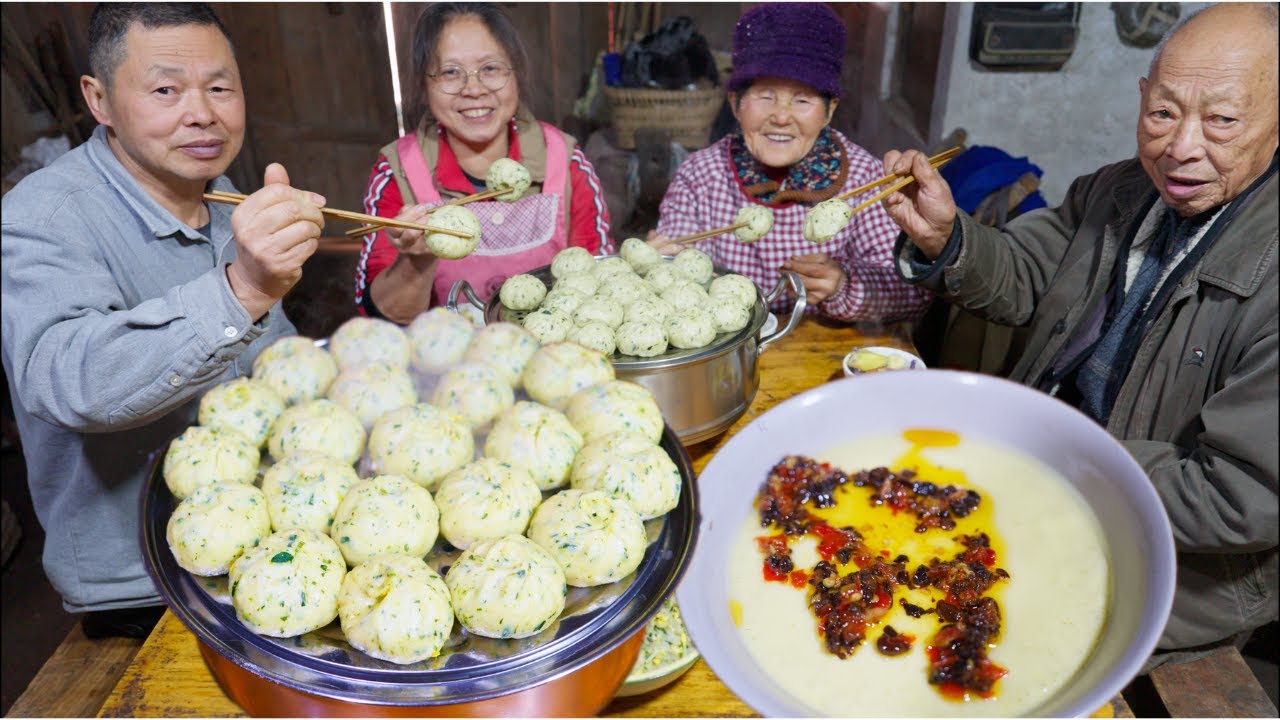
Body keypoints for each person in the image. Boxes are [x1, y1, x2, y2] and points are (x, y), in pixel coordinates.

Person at [880, 2, 1277, 659]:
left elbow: (1241, 495)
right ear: (1143, 98)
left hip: (1167, 570)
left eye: (1223, 120)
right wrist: (950, 238)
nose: (1180, 146)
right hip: (1040, 486)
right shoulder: (1120, 190)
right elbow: (1029, 274)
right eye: (1164, 112)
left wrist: (1052, 463)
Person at [0, 3, 325, 635]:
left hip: (262, 555)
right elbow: (66, 379)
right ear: (99, 100)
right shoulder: (41, 217)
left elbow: (268, 361)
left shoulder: (226, 196)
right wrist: (243, 287)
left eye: (220, 87)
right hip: (142, 583)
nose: (201, 111)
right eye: (165, 89)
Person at [646, 2, 932, 323]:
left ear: (829, 111)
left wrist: (842, 286)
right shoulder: (700, 176)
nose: (782, 117)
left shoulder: (865, 179)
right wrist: (663, 266)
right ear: (735, 104)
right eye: (765, 96)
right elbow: (673, 262)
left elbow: (914, 292)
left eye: (802, 100)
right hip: (733, 347)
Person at [354, 2, 613, 324]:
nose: (473, 89)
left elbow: (601, 287)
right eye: (450, 72)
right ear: (423, 86)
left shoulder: (565, 159)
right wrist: (416, 261)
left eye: (490, 68)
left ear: (515, 74)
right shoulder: (399, 171)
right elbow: (383, 317)